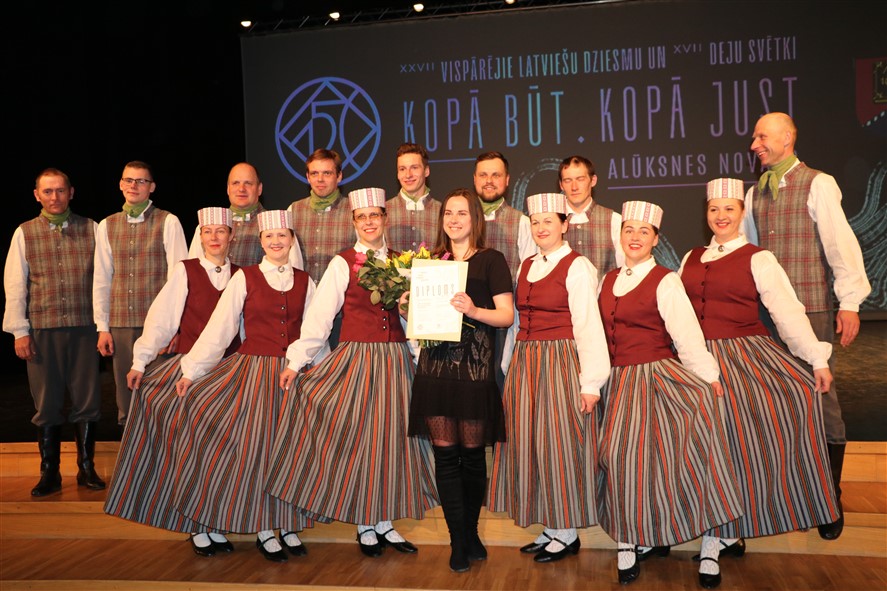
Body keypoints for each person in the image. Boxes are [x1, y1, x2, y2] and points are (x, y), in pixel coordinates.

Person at [679, 178, 840, 589]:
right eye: (714, 209)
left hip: (742, 360)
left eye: (729, 209)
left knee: (729, 448)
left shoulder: (759, 258)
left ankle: (716, 539)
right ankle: (725, 531)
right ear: (706, 213)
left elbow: (787, 312)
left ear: (741, 213)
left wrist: (816, 357)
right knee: (703, 451)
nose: (721, 216)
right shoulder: (690, 258)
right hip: (696, 362)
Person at [266, 188, 438, 560]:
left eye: (375, 215)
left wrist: (419, 352)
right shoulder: (342, 263)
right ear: (354, 222)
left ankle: (384, 521)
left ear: (385, 218)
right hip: (359, 360)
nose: (369, 222)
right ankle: (365, 523)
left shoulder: (403, 261)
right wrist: (296, 360)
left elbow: (413, 319)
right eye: (362, 217)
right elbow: (320, 317)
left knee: (393, 442)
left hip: (396, 361)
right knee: (363, 442)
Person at [596, 201, 743, 587]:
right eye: (629, 229)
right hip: (618, 383)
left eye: (644, 231)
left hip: (658, 382)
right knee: (621, 461)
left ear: (656, 239)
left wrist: (709, 378)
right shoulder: (606, 280)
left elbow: (687, 335)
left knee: (692, 459)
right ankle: (630, 540)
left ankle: (711, 544)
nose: (635, 237)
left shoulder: (665, 280)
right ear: (620, 235)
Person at [744, 112, 871, 540]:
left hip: (811, 309)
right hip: (766, 315)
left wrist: (849, 302)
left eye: (762, 136)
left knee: (822, 399)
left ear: (787, 137)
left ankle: (829, 497)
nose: (754, 144)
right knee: (778, 402)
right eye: (754, 137)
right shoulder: (753, 193)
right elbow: (746, 255)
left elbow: (840, 244)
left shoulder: (818, 183)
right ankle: (791, 494)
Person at [173, 210, 316, 562]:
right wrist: (192, 369)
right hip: (255, 374)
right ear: (260, 242)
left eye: (282, 235)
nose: (276, 242)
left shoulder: (305, 280)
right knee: (259, 451)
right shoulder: (245, 278)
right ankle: (264, 527)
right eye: (269, 237)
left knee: (291, 451)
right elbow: (221, 328)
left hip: (293, 375)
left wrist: (320, 371)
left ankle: (288, 523)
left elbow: (315, 332)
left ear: (292, 240)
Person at [104, 207, 240, 557]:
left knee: (222, 453)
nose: (214, 237)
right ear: (200, 236)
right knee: (194, 448)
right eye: (207, 231)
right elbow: (163, 318)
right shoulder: (186, 270)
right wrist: (141, 359)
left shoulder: (242, 274)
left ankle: (214, 519)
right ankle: (196, 524)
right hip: (191, 372)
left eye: (220, 231)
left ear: (231, 235)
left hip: (230, 372)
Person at [487, 193, 610, 563]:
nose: (541, 228)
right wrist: (509, 364)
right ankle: (551, 526)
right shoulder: (527, 265)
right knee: (532, 445)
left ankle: (567, 530)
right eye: (535, 222)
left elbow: (588, 325)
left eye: (548, 222)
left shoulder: (577, 266)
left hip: (559, 361)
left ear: (564, 224)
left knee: (559, 445)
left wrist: (591, 383)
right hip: (526, 363)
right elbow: (517, 322)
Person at [406, 188, 514, 573]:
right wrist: (408, 308)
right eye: (448, 213)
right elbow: (420, 319)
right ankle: (457, 541)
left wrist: (473, 309)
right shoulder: (432, 262)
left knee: (472, 459)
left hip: (473, 373)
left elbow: (506, 316)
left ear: (475, 219)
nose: (453, 219)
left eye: (462, 213)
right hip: (435, 372)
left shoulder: (491, 260)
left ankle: (470, 533)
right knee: (445, 458)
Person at [3, 168, 103, 495]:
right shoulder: (24, 233)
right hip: (42, 331)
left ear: (71, 192)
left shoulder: (92, 228)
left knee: (87, 400)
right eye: (48, 191)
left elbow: (105, 280)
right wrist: (19, 331)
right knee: (47, 404)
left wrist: (103, 325)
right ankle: (50, 473)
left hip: (84, 328)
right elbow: (15, 286)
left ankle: (86, 468)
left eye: (60, 190)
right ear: (37, 195)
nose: (55, 197)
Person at [93, 161, 188, 427]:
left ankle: (162, 452)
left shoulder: (168, 221)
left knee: (160, 393)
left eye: (141, 181)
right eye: (129, 180)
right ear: (121, 184)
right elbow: (102, 279)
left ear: (152, 187)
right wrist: (103, 327)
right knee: (126, 397)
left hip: (158, 325)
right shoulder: (107, 225)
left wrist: (177, 327)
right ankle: (130, 451)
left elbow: (180, 279)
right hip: (121, 324)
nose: (133, 185)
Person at [187, 162, 303, 269]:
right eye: (235, 183)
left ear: (259, 189)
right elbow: (193, 271)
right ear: (228, 189)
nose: (241, 189)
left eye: (248, 183)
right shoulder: (208, 225)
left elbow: (293, 271)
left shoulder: (278, 224)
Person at [289, 149, 355, 283]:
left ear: (339, 176)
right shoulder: (293, 210)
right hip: (305, 293)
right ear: (308, 177)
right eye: (314, 173)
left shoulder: (354, 210)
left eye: (327, 173)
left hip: (342, 292)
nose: (320, 179)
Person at [472, 151, 535, 281]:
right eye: (483, 175)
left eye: (496, 175)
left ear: (507, 180)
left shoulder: (522, 222)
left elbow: (528, 276)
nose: (489, 181)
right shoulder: (461, 220)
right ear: (475, 179)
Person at [557, 155, 624, 278]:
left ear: (593, 180)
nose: (574, 187)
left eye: (580, 179)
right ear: (561, 185)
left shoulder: (613, 221)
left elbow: (625, 270)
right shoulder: (552, 222)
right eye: (568, 180)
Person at [385, 143, 439, 251]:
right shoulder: (384, 211)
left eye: (414, 168)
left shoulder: (442, 211)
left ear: (426, 171)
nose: (408, 175)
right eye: (402, 169)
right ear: (397, 174)